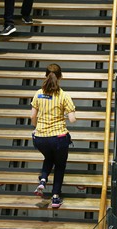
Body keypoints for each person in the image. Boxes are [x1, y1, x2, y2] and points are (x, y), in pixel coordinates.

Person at [30, 64, 76, 208]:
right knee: (60, 165)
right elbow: (72, 119)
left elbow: (32, 117)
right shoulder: (63, 95)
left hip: (40, 138)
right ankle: (55, 197)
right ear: (61, 77)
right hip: (58, 138)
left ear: (45, 76)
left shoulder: (38, 93)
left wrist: (38, 128)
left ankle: (43, 180)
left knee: (49, 157)